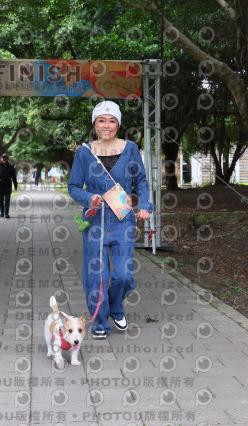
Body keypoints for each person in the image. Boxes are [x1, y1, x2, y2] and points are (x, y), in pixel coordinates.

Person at [68, 100, 152, 340]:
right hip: (95, 222)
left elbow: (141, 181)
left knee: (124, 275)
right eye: (101, 120)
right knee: (96, 277)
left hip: (123, 220)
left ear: (118, 124)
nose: (106, 125)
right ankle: (100, 321)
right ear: (95, 124)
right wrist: (89, 197)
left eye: (112, 121)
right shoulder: (84, 152)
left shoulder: (131, 149)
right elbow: (73, 186)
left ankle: (115, 307)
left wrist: (145, 205)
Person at [0, 153, 18, 218]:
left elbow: (14, 177)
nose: (4, 159)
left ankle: (6, 214)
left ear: (8, 159)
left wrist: (15, 185)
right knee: (0, 201)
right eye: (3, 158)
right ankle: (2, 212)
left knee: (7, 200)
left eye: (5, 158)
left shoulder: (11, 167)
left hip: (8, 186)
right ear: (1, 159)